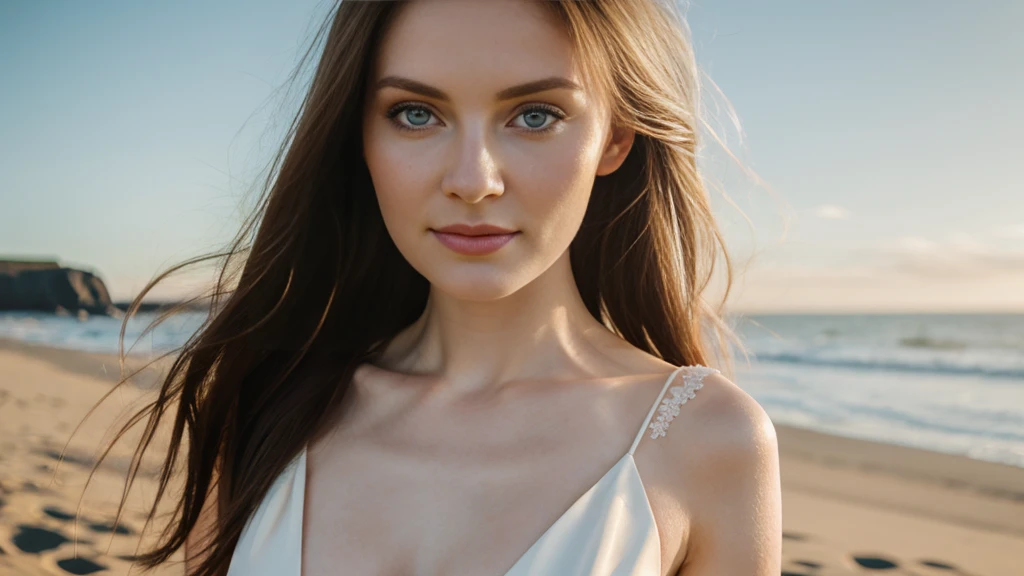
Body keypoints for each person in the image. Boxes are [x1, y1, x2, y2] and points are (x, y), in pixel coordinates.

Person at [101, 0, 782, 574]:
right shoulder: (266, 403)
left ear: (615, 138)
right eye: (417, 114)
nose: (473, 178)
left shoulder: (708, 441)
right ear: (358, 136)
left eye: (536, 115)